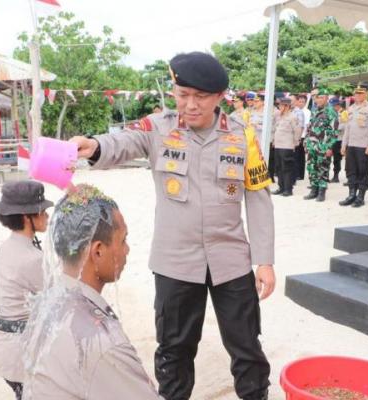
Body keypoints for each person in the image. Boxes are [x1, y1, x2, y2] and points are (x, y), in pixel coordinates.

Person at [69, 52, 274, 400]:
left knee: (247, 348)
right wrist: (94, 146)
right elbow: (121, 143)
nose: (190, 105)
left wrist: (265, 260)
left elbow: (257, 197)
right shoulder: (157, 128)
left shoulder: (242, 135)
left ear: (220, 97)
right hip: (175, 263)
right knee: (174, 351)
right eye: (183, 95)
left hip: (231, 261)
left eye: (201, 97)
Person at [22, 184, 161, 400]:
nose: (127, 249)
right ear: (98, 251)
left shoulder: (47, 300)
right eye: (123, 240)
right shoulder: (102, 345)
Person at [0, 180, 53, 400]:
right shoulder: (32, 259)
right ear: (27, 218)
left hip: (7, 345)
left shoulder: (7, 247)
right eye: (42, 211)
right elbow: (58, 297)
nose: (46, 216)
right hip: (23, 351)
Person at [339, 82, 368, 208]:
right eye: (356, 93)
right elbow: (347, 129)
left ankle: (360, 196)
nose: (358, 95)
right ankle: (351, 194)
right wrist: (344, 145)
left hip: (364, 146)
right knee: (350, 171)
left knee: (363, 172)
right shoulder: (350, 109)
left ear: (366, 94)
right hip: (351, 145)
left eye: (361, 93)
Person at [304, 89, 338, 202]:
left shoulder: (331, 112)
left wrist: (329, 147)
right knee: (311, 167)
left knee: (323, 168)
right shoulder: (314, 111)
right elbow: (309, 128)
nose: (319, 100)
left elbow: (334, 132)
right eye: (317, 97)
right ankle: (314, 190)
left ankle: (322, 192)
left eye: (321, 97)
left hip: (323, 146)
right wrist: (306, 142)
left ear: (327, 98)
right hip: (311, 145)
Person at [272, 97, 302, 196]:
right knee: (279, 167)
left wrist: (295, 144)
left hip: (287, 146)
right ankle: (281, 187)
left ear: (286, 106)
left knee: (287, 168)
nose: (279, 107)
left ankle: (288, 189)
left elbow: (297, 132)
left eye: (280, 105)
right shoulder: (279, 116)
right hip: (278, 145)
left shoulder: (292, 117)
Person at [329, 97, 347, 183]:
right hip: (334, 139)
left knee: (339, 158)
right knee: (335, 158)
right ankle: (335, 175)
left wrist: (334, 129)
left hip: (341, 139)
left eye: (333, 106)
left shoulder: (344, 113)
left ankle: (344, 176)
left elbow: (344, 126)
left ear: (337, 105)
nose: (332, 107)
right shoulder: (333, 114)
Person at [291, 94, 307, 183]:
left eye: (292, 100)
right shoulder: (289, 111)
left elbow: (301, 126)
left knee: (298, 157)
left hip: (300, 137)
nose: (291, 102)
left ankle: (297, 175)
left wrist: (298, 138)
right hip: (289, 138)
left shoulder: (301, 112)